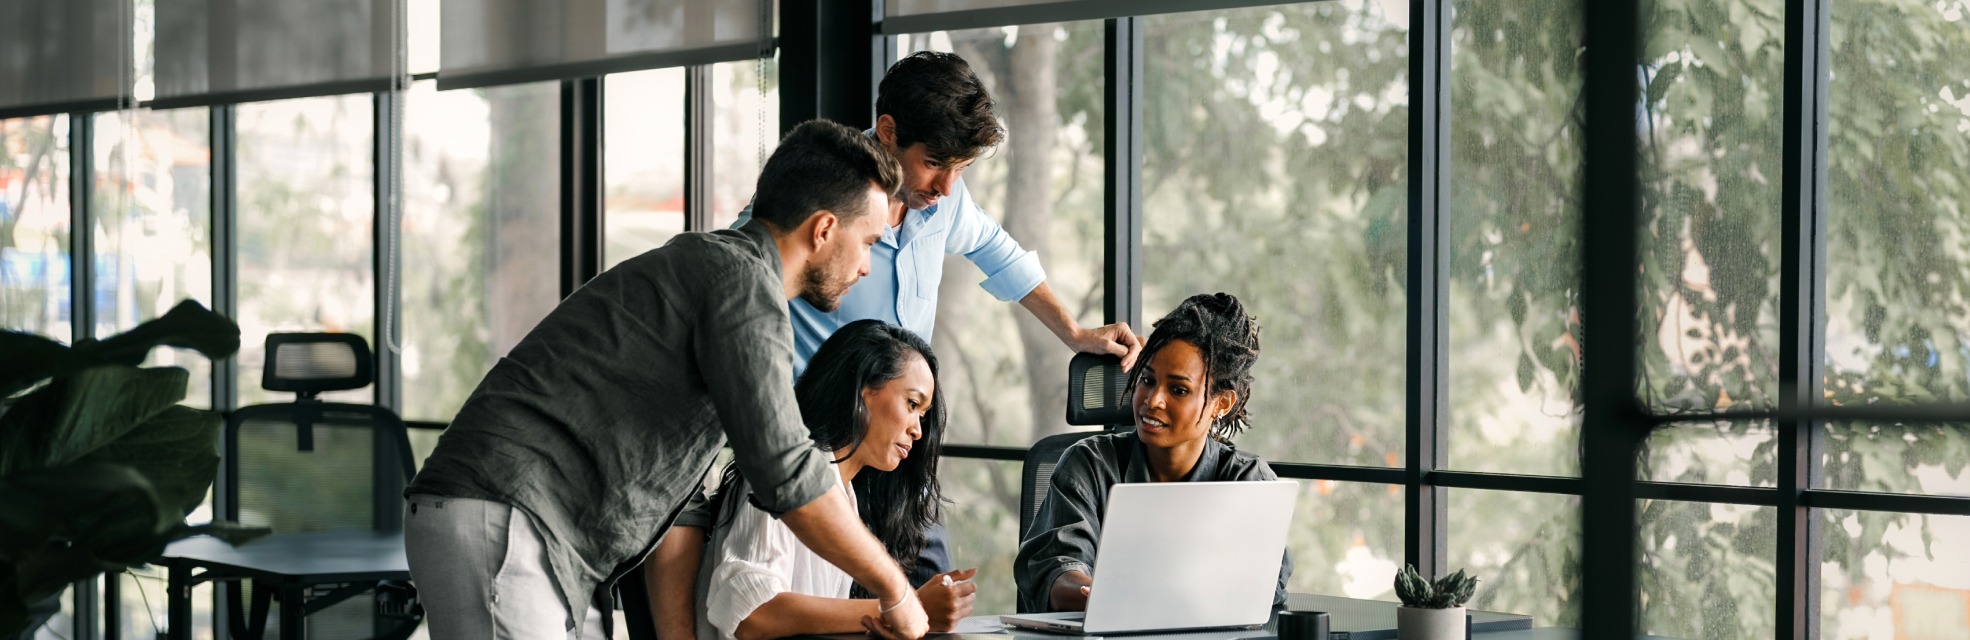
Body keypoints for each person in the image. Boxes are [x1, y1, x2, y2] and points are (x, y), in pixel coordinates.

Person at [648, 50, 1144, 639]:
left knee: (925, 609)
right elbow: (737, 268)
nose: (946, 185)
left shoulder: (944, 199)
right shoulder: (824, 192)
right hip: (808, 434)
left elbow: (999, 252)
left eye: (959, 168)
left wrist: (1075, 333)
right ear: (888, 133)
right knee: (852, 599)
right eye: (934, 163)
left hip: (887, 437)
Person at [401, 120, 934, 640]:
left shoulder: (719, 274)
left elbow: (680, 495)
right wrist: (894, 587)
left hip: (533, 531)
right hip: (507, 515)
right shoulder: (742, 285)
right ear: (823, 230)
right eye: (867, 241)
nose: (867, 266)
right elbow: (784, 470)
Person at [694, 320, 978, 640]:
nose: (918, 430)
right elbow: (752, 612)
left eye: (923, 416)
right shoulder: (792, 474)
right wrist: (901, 606)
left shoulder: (843, 494)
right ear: (862, 389)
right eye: (912, 404)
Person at [1013, 293, 1294, 613]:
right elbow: (1056, 571)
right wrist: (1112, 601)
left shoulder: (1248, 482)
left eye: (1178, 389)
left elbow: (1266, 583)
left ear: (1222, 403)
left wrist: (1165, 600)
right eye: (1146, 380)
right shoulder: (1088, 465)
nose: (1152, 400)